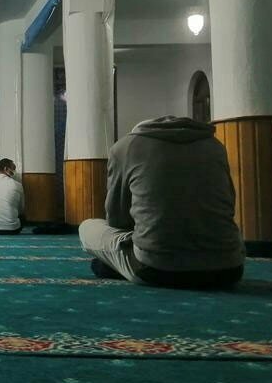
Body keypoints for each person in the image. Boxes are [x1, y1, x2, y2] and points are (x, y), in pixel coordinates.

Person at [79, 116, 245, 288]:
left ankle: (121, 265)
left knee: (87, 227)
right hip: (229, 269)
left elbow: (116, 219)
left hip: (156, 270)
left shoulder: (125, 146)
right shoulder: (216, 146)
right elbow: (229, 205)